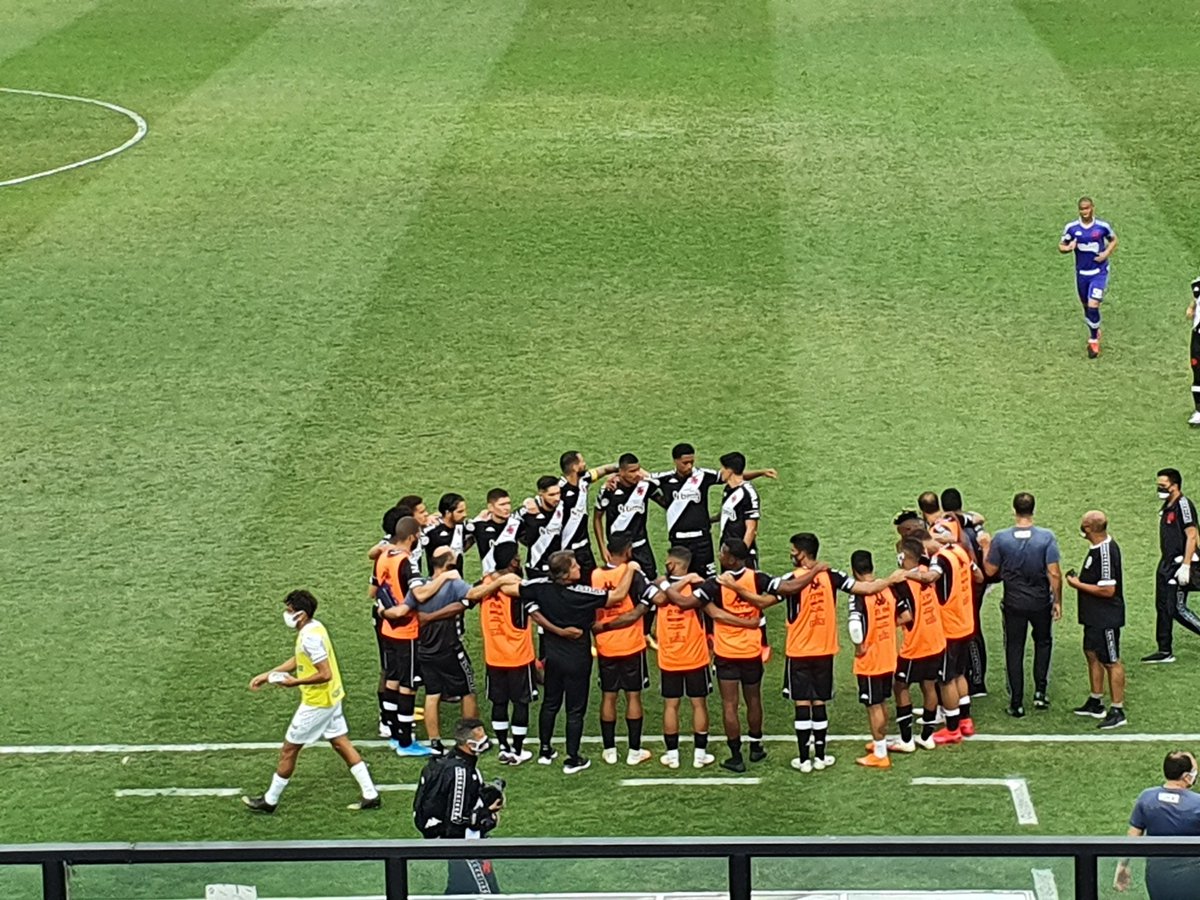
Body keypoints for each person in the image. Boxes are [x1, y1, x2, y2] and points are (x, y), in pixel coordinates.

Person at [724, 533, 905, 772]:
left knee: (802, 702)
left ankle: (803, 759)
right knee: (819, 701)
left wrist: (735, 587)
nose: (790, 554)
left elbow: (762, 602)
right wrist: (890, 580)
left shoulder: (791, 579)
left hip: (799, 651)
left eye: (793, 550)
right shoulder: (832, 575)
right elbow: (867, 588)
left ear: (802, 553)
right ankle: (820, 757)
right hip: (824, 650)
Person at [494, 550, 637, 773]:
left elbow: (509, 589)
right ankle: (572, 758)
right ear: (565, 574)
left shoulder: (540, 586)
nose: (579, 567)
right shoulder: (582, 593)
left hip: (552, 657)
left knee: (550, 703)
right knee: (575, 710)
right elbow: (617, 596)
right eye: (575, 566)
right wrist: (630, 569)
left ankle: (545, 750)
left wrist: (498, 579)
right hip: (578, 658)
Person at [243, 590, 380, 813]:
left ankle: (270, 800)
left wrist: (295, 682)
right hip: (332, 697)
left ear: (302, 614)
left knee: (289, 750)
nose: (286, 614)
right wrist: (268, 675)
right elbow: (300, 658)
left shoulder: (310, 637)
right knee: (340, 742)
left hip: (317, 703)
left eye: (290, 610)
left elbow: (325, 673)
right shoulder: (316, 627)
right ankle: (370, 794)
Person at [672, 540, 774, 773]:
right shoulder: (758, 578)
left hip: (727, 653)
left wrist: (665, 587)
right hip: (751, 651)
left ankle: (736, 756)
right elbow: (781, 591)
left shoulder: (714, 584)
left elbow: (685, 603)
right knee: (754, 700)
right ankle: (756, 747)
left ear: (732, 559)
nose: (719, 555)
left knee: (730, 705)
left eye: (723, 552)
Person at [983, 492, 1062, 717]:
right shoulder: (1046, 537)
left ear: (1014, 510)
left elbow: (990, 570)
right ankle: (1040, 693)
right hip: (1040, 603)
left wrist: (987, 546)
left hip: (1014, 604)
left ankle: (1016, 702)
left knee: (1014, 648)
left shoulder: (1001, 538)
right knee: (1043, 643)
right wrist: (1057, 601)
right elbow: (1054, 573)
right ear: (1033, 510)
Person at [652, 443, 776, 578]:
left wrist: (760, 473)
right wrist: (666, 503)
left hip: (703, 541)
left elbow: (735, 475)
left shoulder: (703, 475)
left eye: (692, 462)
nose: (689, 466)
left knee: (709, 580)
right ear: (675, 461)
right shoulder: (664, 478)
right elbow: (641, 479)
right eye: (685, 463)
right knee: (678, 578)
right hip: (678, 540)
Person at [413, 717, 505, 895]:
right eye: (480, 737)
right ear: (469, 744)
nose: (485, 740)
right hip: (463, 846)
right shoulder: (460, 772)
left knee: (457, 891)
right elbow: (456, 819)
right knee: (487, 893)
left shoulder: (453, 762)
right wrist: (487, 813)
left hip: (459, 844)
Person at [590, 534, 657, 765]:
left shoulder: (595, 575)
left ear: (608, 551)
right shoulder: (633, 573)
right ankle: (634, 751)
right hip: (631, 645)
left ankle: (609, 750)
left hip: (605, 646)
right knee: (633, 696)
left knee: (608, 696)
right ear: (628, 551)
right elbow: (651, 599)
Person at [469, 542, 538, 765]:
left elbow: (470, 595)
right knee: (520, 703)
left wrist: (495, 582)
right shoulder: (518, 587)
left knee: (499, 703)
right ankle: (517, 749)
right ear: (512, 562)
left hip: (494, 656)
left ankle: (503, 747)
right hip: (519, 656)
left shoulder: (485, 583)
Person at [375, 516, 434, 756]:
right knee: (408, 685)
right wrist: (440, 582)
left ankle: (393, 732)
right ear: (411, 537)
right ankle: (406, 742)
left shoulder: (383, 556)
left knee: (392, 679)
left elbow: (378, 589)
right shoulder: (406, 561)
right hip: (407, 630)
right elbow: (419, 594)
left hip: (388, 627)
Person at [847, 550, 912, 769]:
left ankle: (880, 753)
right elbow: (906, 616)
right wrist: (886, 628)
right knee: (881, 701)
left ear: (854, 570)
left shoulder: (858, 594)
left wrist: (859, 647)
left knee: (874, 705)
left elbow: (855, 626)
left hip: (870, 660)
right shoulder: (888, 589)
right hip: (888, 655)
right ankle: (880, 743)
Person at [411, 548, 478, 754]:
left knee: (433, 693)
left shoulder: (421, 585)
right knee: (468, 689)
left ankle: (435, 742)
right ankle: (471, 737)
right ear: (450, 563)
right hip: (449, 648)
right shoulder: (454, 584)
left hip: (425, 649)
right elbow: (473, 595)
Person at [1067, 510, 1127, 729]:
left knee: (1111, 661)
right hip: (1093, 617)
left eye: (1084, 523)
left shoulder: (1106, 552)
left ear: (1089, 528)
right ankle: (1096, 701)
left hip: (1106, 618)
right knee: (1092, 654)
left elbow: (1108, 590)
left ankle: (1118, 710)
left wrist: (1077, 584)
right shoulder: (1096, 549)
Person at [1114, 751, 1200, 898]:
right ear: (1187, 776)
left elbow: (1133, 835)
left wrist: (1122, 866)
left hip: (1157, 878)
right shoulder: (1197, 803)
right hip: (1193, 879)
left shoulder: (1146, 798)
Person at [891, 536, 948, 751]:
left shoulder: (902, 584)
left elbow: (906, 616)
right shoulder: (926, 573)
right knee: (929, 685)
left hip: (915, 645)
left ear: (903, 557)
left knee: (900, 686)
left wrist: (886, 624)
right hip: (936, 641)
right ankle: (926, 736)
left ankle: (906, 740)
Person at [1144, 468, 1200, 663]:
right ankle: (1164, 650)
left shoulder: (1183, 505)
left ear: (1175, 486)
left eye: (1163, 486)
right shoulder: (1168, 505)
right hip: (1166, 563)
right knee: (1162, 606)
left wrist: (1186, 565)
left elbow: (1192, 535)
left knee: (1176, 607)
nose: (1159, 489)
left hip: (1180, 563)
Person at [1059, 196, 1118, 358]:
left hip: (1099, 272)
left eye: (1087, 208)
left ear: (1092, 208)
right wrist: (1068, 248)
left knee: (1093, 304)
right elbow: (1061, 246)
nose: (1084, 212)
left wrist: (1106, 253)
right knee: (1086, 306)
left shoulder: (1102, 227)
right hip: (1082, 273)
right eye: (1082, 209)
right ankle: (1095, 329)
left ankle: (1093, 340)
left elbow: (1113, 240)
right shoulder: (1072, 228)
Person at [594, 453, 662, 577]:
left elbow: (666, 501)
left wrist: (647, 476)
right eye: (632, 471)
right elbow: (597, 518)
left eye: (638, 469)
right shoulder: (609, 489)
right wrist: (602, 548)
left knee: (650, 580)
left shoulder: (645, 485)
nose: (637, 474)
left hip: (641, 546)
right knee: (619, 582)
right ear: (621, 472)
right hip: (618, 550)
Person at [557, 451, 618, 582]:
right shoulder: (558, 490)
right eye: (582, 462)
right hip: (567, 551)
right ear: (575, 467)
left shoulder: (584, 479)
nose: (585, 464)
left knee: (592, 583)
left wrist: (621, 467)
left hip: (585, 549)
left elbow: (605, 470)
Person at [718, 452, 763, 565]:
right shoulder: (728, 489)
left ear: (729, 471)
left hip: (740, 556)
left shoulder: (748, 493)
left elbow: (751, 528)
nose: (720, 471)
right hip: (727, 551)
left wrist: (740, 555)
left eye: (722, 468)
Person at [516, 476, 566, 577]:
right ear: (541, 493)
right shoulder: (528, 511)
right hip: (536, 569)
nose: (557, 498)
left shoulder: (563, 506)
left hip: (560, 567)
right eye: (551, 495)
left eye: (558, 493)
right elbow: (508, 527)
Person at [468, 488, 522, 574]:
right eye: (502, 504)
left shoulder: (516, 524)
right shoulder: (479, 526)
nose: (507, 508)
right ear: (490, 507)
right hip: (490, 577)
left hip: (512, 577)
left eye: (508, 503)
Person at [424, 493, 472, 574]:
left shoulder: (462, 526)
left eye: (464, 510)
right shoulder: (432, 530)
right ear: (448, 513)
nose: (465, 515)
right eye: (460, 512)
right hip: (438, 579)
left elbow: (461, 548)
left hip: (458, 578)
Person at [1188, 278, 1200, 427]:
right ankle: (1199, 411)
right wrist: (1192, 307)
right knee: (1198, 372)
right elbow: (1196, 296)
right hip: (1198, 336)